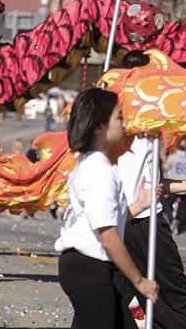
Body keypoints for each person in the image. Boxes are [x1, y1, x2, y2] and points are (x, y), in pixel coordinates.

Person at [113, 46, 186, 329]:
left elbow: (151, 185)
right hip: (128, 224)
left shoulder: (149, 132)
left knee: (169, 294)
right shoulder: (116, 130)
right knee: (130, 299)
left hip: (143, 222)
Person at [55, 87, 159, 328]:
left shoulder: (98, 164)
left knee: (133, 323)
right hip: (88, 268)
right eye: (119, 117)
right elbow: (108, 237)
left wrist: (141, 203)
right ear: (100, 127)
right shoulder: (98, 170)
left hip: (101, 270)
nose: (125, 123)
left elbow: (112, 221)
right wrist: (140, 281)